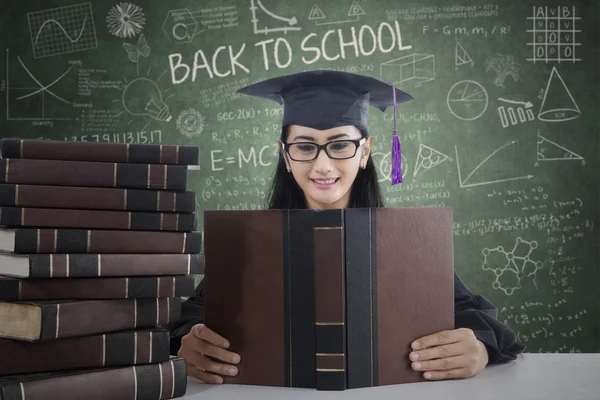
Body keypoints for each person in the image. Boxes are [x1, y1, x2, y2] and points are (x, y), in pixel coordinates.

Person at [169, 70, 526, 384]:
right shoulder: (250, 241)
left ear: (365, 151)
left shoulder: (406, 242)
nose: (323, 165)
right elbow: (193, 315)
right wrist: (189, 339)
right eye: (305, 147)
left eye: (340, 145)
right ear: (285, 155)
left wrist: (477, 345)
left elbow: (478, 317)